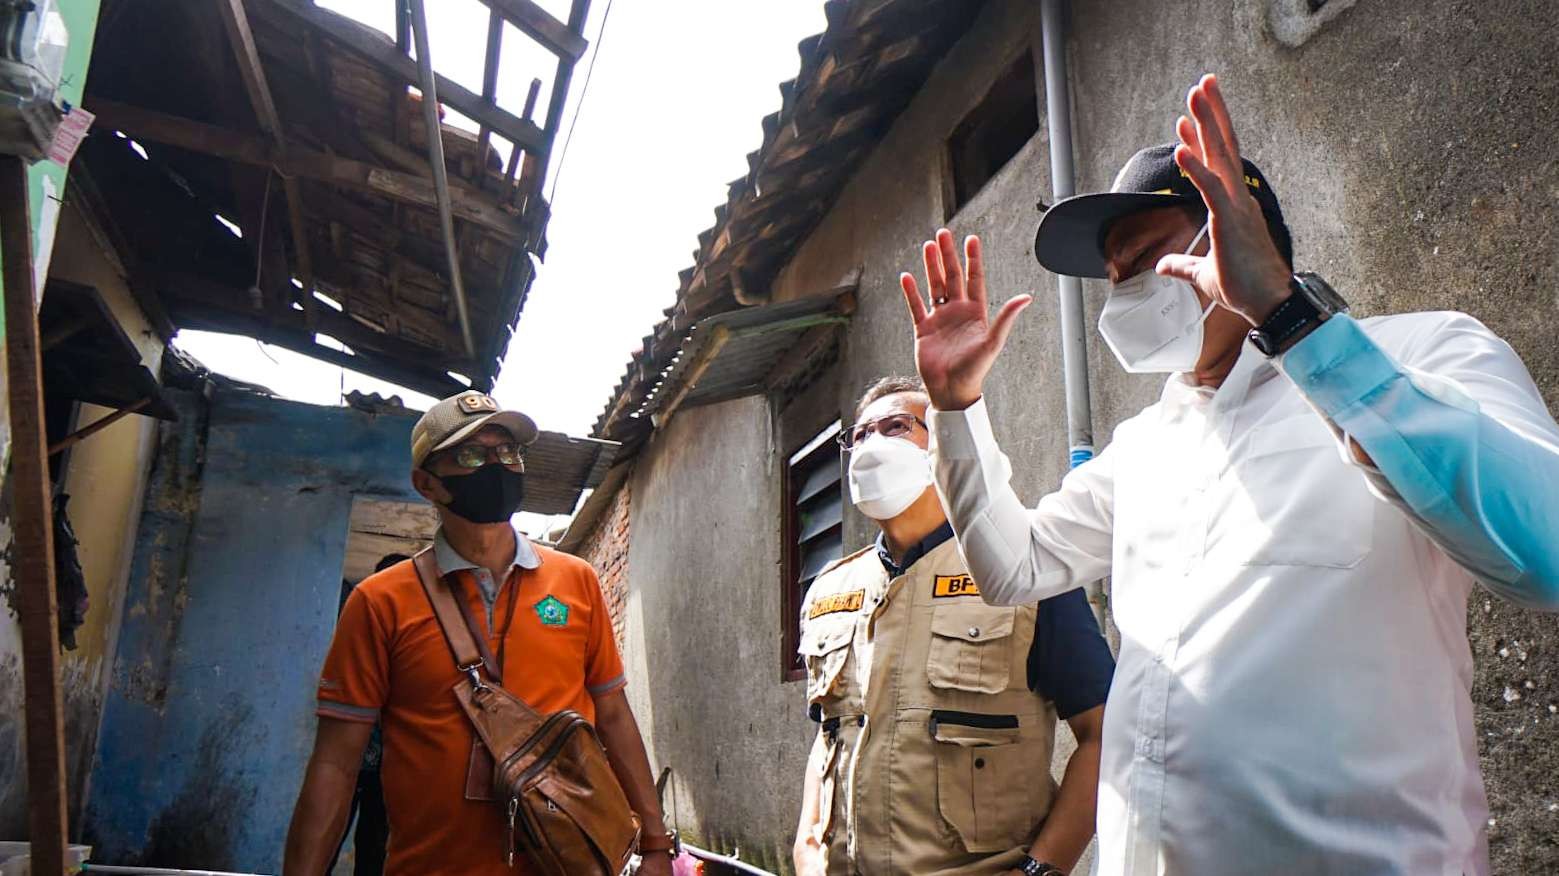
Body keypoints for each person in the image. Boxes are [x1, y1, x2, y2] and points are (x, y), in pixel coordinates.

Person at [896, 74, 1559, 874]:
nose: (1122, 297)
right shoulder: (1145, 444)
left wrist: (1287, 317)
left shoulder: (1419, 354)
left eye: (1141, 259)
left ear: (1234, 236)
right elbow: (1014, 566)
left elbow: (1543, 550)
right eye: (1113, 279)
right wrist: (957, 408)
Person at [284, 391, 677, 875]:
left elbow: (613, 715)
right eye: (472, 455)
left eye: (508, 452)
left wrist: (656, 845)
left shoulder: (576, 581)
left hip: (568, 865)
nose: (498, 465)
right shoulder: (379, 602)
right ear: (426, 484)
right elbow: (336, 764)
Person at [792, 376, 1113, 876]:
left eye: (896, 426)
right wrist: (806, 849)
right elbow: (828, 737)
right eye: (859, 435)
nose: (872, 445)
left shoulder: (1020, 569)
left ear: (942, 446)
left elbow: (1104, 735)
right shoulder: (830, 590)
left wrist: (1042, 869)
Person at [324, 552, 407, 876]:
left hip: (384, 768)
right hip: (353, 763)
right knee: (333, 839)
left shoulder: (412, 632)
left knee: (373, 848)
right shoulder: (361, 622)